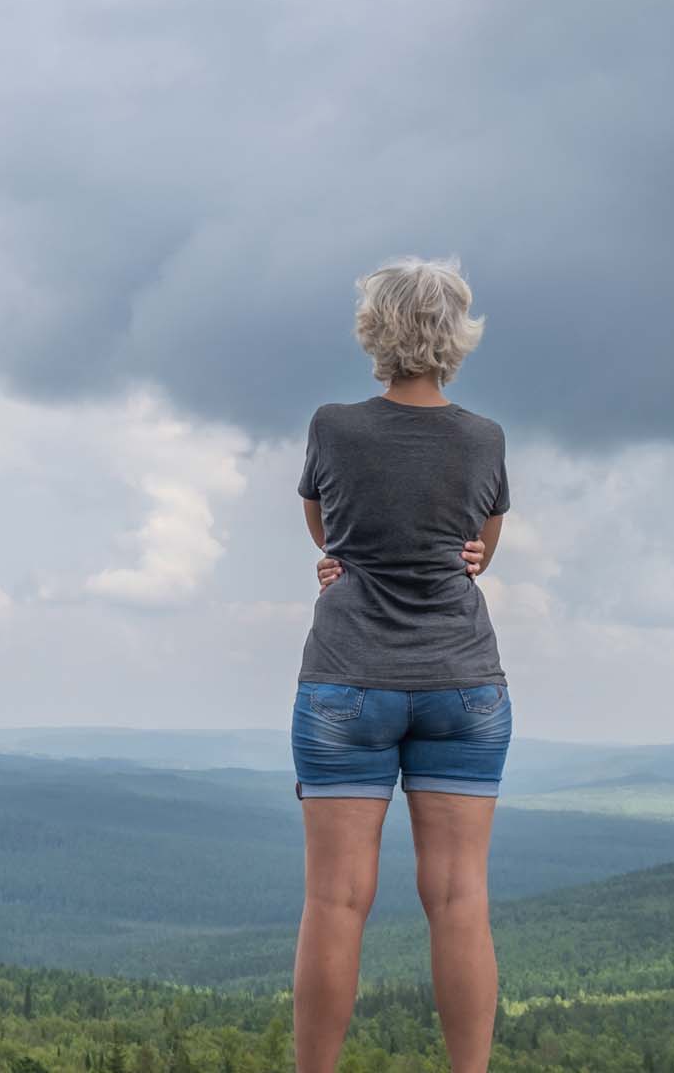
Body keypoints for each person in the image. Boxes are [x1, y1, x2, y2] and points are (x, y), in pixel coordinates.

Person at [290, 255, 511, 1073]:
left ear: (374, 330)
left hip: (347, 677)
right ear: (457, 336)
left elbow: (326, 526)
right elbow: (480, 550)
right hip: (464, 684)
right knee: (459, 901)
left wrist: (346, 561)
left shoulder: (332, 427)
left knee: (336, 901)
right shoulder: (484, 438)